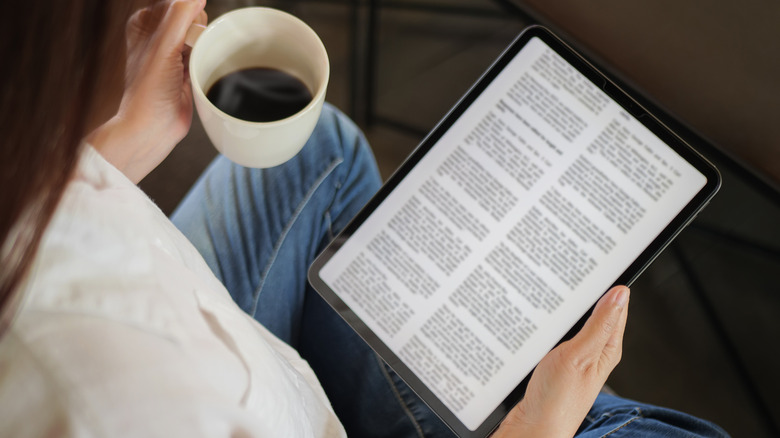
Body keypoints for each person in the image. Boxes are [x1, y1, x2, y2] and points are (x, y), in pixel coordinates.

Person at [0, 1, 729, 436]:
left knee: (317, 146)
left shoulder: (22, 189)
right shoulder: (125, 398)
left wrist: (113, 156)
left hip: (257, 365)